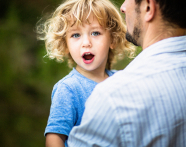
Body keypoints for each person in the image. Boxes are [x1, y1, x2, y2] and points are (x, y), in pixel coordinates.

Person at [67, 0, 186, 146]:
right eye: (76, 35)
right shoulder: (69, 88)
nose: (122, 7)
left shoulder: (113, 97)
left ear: (148, 7)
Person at [36, 0, 135, 146]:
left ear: (112, 39)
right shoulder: (68, 88)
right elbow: (54, 138)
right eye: (76, 35)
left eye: (95, 33)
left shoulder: (121, 81)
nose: (86, 42)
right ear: (65, 44)